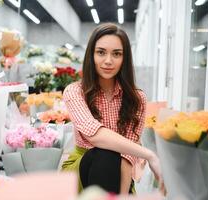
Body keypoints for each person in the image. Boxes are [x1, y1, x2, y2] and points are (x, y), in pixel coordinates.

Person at [62, 23, 163, 195]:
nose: (108, 61)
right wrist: (150, 155)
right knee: (104, 152)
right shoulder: (75, 91)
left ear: (124, 59)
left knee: (112, 156)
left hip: (119, 174)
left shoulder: (136, 99)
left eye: (116, 54)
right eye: (101, 52)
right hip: (81, 169)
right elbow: (95, 135)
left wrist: (122, 195)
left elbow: (128, 154)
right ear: (91, 55)